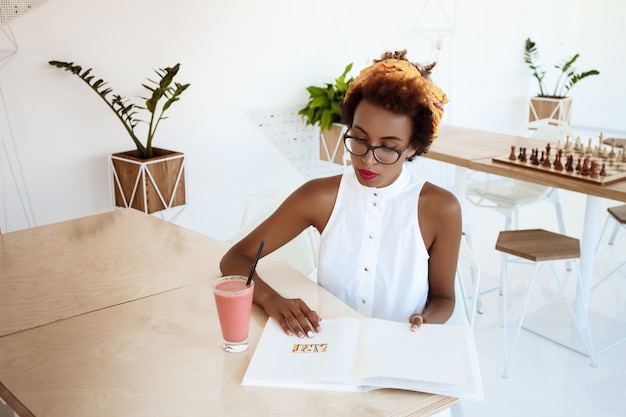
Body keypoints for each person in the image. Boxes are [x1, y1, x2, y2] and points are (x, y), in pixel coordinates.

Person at [220, 50, 462, 338]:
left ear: (412, 147)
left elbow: (444, 299)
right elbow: (235, 258)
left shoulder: (440, 209)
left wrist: (424, 322)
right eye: (359, 139)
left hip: (400, 348)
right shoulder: (319, 196)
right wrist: (273, 300)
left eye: (387, 147)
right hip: (326, 344)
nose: (368, 159)